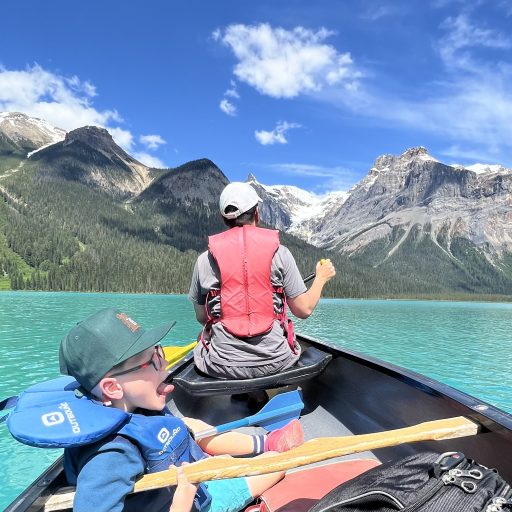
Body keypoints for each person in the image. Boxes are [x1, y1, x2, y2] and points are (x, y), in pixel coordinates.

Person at [52, 307, 304, 512]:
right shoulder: (110, 457)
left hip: (189, 476)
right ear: (113, 388)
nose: (166, 367)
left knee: (189, 426)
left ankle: (265, 442)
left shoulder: (134, 404)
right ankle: (267, 457)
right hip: (193, 501)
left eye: (159, 353)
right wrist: (185, 493)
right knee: (278, 465)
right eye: (153, 361)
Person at [189, 181, 336, 379]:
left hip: (221, 364)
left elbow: (202, 317)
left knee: (202, 341)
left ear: (224, 219)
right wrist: (321, 278)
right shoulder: (280, 253)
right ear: (257, 214)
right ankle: (258, 393)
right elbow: (303, 310)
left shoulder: (203, 260)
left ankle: (246, 395)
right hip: (277, 361)